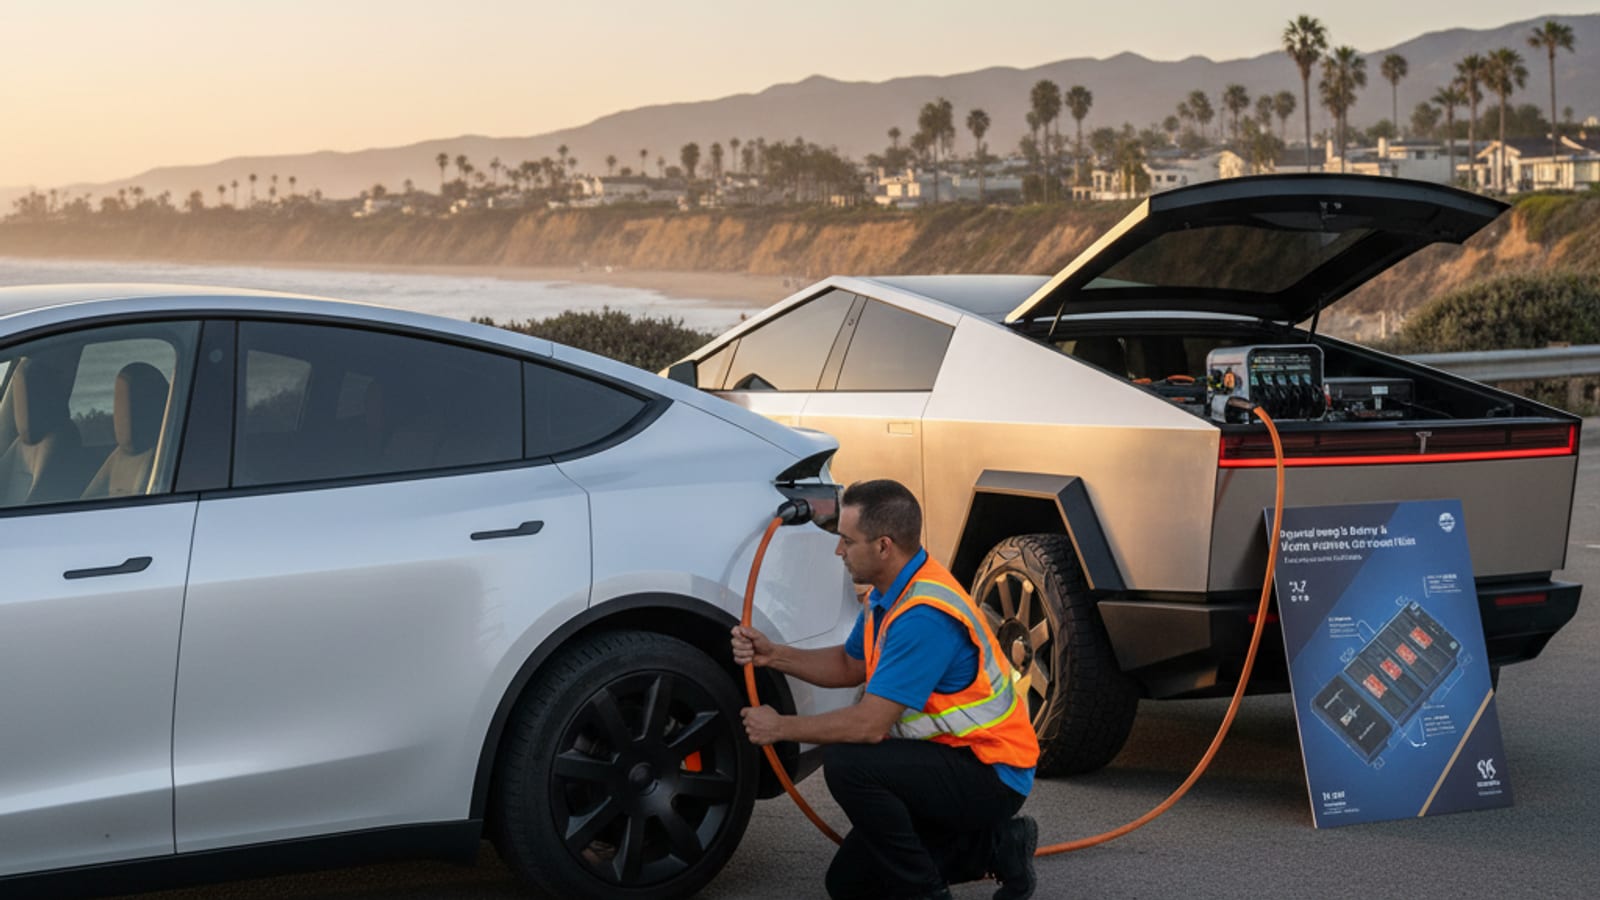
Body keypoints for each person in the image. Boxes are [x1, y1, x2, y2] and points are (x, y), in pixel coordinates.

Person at [733, 479, 1040, 900]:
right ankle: (999, 847)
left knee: (847, 762)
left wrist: (780, 727)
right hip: (945, 761)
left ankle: (925, 892)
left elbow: (869, 726)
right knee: (848, 884)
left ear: (883, 546)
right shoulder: (887, 595)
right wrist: (774, 655)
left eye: (846, 540)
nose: (838, 550)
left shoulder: (923, 616)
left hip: (990, 771)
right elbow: (849, 663)